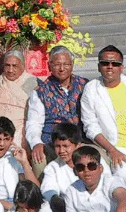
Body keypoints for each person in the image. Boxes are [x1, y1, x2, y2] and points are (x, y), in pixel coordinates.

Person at [79, 44, 126, 176]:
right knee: (124, 175)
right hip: (117, 147)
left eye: (115, 64)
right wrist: (112, 150)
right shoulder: (91, 90)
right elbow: (90, 126)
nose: (110, 67)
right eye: (105, 63)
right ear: (99, 67)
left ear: (121, 68)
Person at [24, 47, 87, 175]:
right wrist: (36, 143)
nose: (62, 68)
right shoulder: (40, 91)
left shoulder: (85, 85)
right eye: (57, 64)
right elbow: (34, 123)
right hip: (53, 144)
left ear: (72, 64)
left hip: (80, 141)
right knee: (38, 160)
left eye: (66, 64)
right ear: (49, 66)